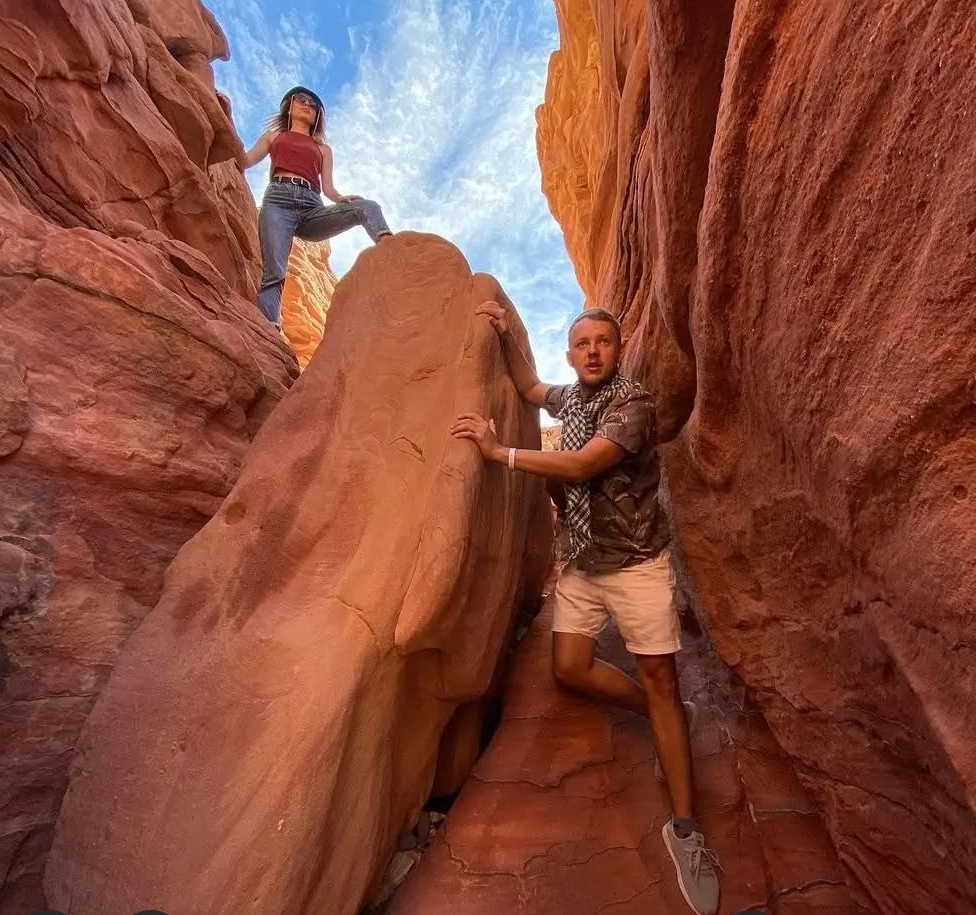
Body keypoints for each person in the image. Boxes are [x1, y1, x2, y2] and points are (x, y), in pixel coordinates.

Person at [451, 304, 721, 915]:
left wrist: (499, 454)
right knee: (570, 668)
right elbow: (527, 386)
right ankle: (662, 715)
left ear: (617, 351)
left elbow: (579, 466)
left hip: (635, 565)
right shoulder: (569, 399)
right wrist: (504, 328)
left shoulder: (633, 404)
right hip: (580, 563)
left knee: (659, 677)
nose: (593, 351)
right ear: (571, 353)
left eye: (603, 342)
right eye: (581, 344)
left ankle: (686, 830)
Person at [239, 86, 393, 329]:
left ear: (317, 115)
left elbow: (328, 188)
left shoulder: (322, 149)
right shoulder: (273, 137)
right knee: (275, 272)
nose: (307, 105)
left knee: (367, 207)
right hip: (278, 201)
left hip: (312, 206)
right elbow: (245, 160)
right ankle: (269, 329)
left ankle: (392, 249)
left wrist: (341, 198)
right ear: (289, 106)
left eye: (313, 104)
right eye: (301, 99)